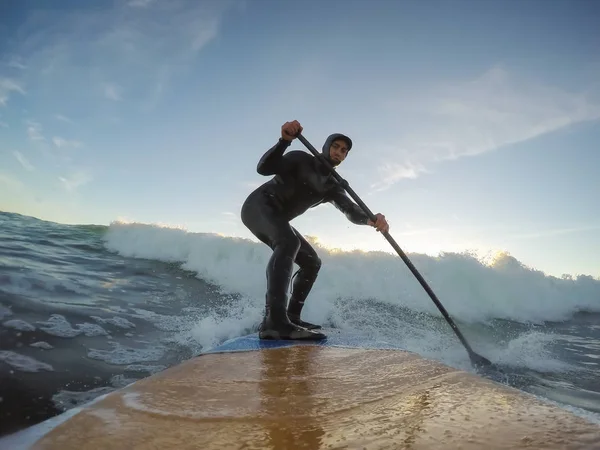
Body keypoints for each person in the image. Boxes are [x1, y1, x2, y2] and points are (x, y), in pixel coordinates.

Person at [241, 120, 390, 341]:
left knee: (312, 262)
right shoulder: (300, 159)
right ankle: (274, 322)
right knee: (289, 243)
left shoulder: (333, 185)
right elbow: (263, 168)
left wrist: (371, 219)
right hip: (258, 207)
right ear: (326, 145)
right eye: (336, 146)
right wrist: (284, 141)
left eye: (344, 151)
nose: (339, 152)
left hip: (279, 218)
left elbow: (350, 210)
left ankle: (291, 316)